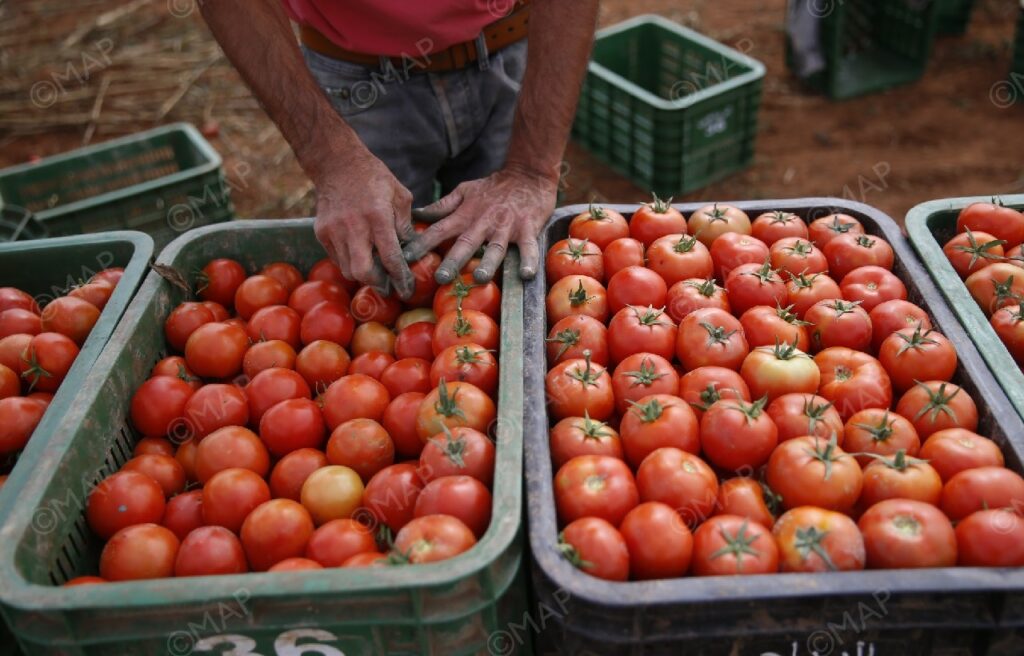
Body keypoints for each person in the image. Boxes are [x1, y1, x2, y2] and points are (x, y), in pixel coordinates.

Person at [200, 0, 599, 299]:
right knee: (378, 285)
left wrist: (532, 168)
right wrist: (332, 159)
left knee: (510, 275)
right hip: (356, 76)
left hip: (516, 43)